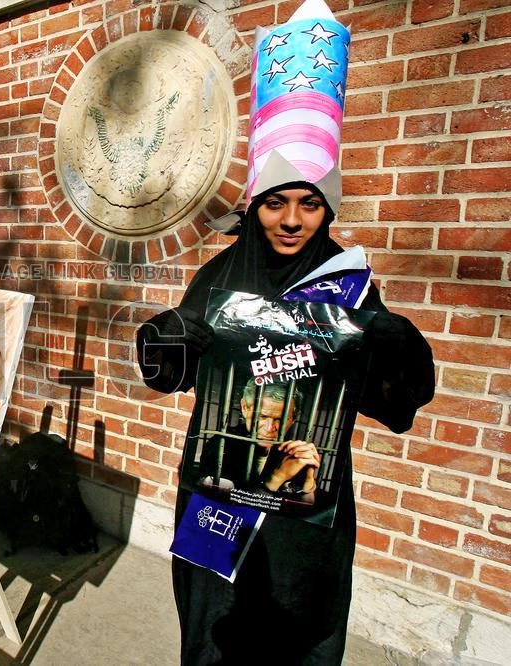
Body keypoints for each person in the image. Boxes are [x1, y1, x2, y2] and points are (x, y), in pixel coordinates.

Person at [136, 2, 435, 663]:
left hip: (307, 522)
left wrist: (392, 343)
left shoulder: (348, 284)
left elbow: (396, 397)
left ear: (327, 204)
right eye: (276, 200)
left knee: (298, 644)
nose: (293, 219)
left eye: (310, 201)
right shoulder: (219, 276)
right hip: (220, 505)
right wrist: (170, 339)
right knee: (213, 641)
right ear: (254, 203)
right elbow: (172, 373)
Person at [195, 380, 319, 504]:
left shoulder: (292, 452)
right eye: (262, 416)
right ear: (245, 408)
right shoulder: (221, 445)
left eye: (280, 420)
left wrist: (308, 484)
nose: (270, 428)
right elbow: (224, 511)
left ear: (293, 419)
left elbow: (304, 510)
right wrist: (276, 479)